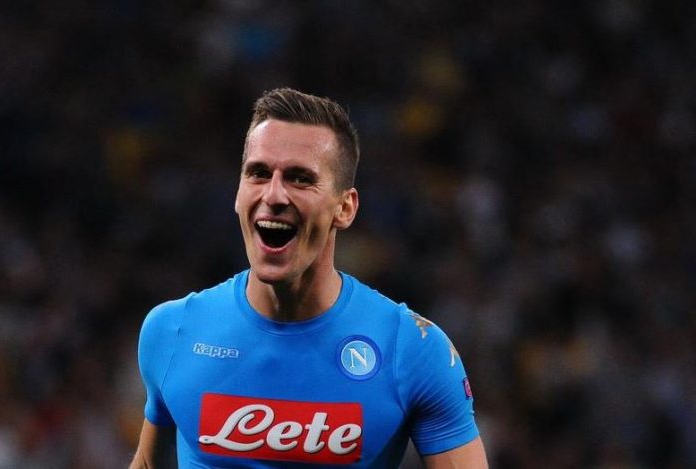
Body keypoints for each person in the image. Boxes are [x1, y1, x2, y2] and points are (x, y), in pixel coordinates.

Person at [130, 88, 488, 468]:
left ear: (344, 207)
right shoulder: (171, 331)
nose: (274, 195)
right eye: (258, 173)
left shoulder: (412, 350)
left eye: (300, 179)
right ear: (238, 193)